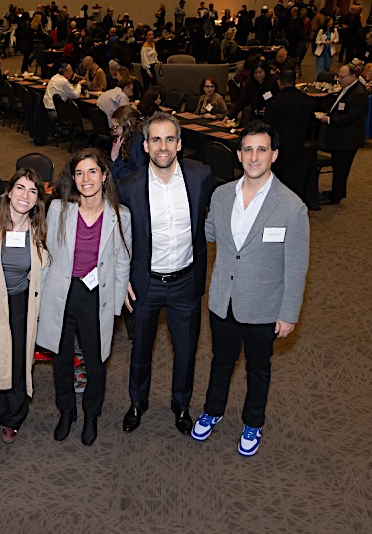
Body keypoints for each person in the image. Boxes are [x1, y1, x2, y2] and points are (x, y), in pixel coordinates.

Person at [190, 120, 309, 457]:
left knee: (258, 369)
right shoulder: (222, 195)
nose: (254, 157)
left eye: (262, 149)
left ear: (274, 155)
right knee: (221, 361)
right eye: (248, 149)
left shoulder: (292, 207)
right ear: (239, 155)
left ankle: (253, 421)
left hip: (264, 306)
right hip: (223, 300)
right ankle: (213, 410)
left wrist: (289, 313)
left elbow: (297, 266)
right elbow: (207, 234)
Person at [119, 112, 212, 436]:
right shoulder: (128, 187)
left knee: (186, 352)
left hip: (186, 282)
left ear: (179, 143)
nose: (163, 146)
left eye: (169, 139)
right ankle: (137, 402)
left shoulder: (200, 176)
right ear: (145, 145)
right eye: (156, 139)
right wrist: (122, 278)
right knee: (140, 350)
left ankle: (181, 404)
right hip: (145, 284)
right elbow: (119, 235)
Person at [36, 148, 132, 446]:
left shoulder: (120, 216)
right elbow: (49, 254)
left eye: (92, 171)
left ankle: (91, 414)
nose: (85, 178)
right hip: (62, 293)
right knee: (61, 358)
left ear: (104, 176)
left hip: (96, 296)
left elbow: (122, 261)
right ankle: (67, 411)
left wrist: (115, 306)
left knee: (95, 359)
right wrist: (41, 296)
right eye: (79, 173)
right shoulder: (59, 209)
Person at [0, 169, 49, 444]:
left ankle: (13, 417)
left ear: (37, 199)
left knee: (18, 359)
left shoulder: (39, 230)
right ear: (9, 192)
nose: (25, 195)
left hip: (20, 300)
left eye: (32, 191)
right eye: (20, 188)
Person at [263, 69, 323, 209]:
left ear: (279, 82)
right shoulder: (306, 100)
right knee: (292, 181)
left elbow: (267, 127)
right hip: (298, 147)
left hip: (278, 148)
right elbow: (311, 122)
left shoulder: (275, 102)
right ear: (295, 82)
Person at [317, 64, 368, 205]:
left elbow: (350, 117)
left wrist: (329, 119)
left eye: (341, 77)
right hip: (342, 136)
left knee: (341, 168)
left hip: (347, 138)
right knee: (339, 166)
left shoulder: (359, 94)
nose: (338, 79)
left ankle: (335, 197)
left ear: (353, 76)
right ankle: (339, 191)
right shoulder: (349, 88)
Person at [227, 58, 279, 122]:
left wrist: (269, 108)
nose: (257, 75)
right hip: (256, 116)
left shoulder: (274, 82)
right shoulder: (251, 84)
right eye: (255, 73)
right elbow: (242, 101)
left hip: (272, 116)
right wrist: (229, 115)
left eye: (260, 72)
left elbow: (278, 100)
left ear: (265, 71)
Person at [110, 104, 146, 181]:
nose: (114, 132)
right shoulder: (136, 136)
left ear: (128, 124)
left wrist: (116, 159)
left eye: (116, 127)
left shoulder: (137, 142)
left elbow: (133, 177)